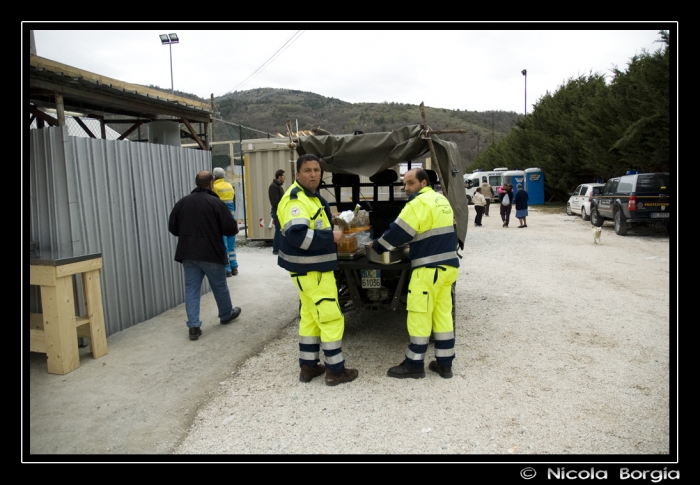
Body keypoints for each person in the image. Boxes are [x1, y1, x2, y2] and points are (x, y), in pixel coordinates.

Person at [276, 154, 358, 386]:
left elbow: (312, 222)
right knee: (331, 317)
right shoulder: (295, 200)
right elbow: (297, 235)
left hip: (309, 270)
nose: (313, 174)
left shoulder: (310, 197)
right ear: (298, 174)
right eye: (308, 170)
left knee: (310, 318)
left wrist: (331, 218)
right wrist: (330, 237)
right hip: (313, 270)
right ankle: (336, 370)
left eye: (317, 170)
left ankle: (309, 366)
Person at [371, 168, 459, 379]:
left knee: (419, 315)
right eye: (405, 183)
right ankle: (444, 364)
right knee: (442, 315)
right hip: (448, 267)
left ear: (424, 183)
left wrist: (377, 246)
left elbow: (398, 233)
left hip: (428, 269)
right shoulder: (441, 200)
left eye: (410, 183)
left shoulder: (418, 203)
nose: (406, 187)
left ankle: (414, 365)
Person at [168, 171, 242, 341]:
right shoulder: (215, 203)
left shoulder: (183, 202)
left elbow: (173, 227)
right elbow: (231, 229)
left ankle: (193, 326)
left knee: (191, 289)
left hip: (188, 252)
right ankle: (225, 314)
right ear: (211, 184)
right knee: (219, 285)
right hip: (211, 253)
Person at [212, 168, 239, 276]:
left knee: (224, 244)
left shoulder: (214, 187)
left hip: (220, 219)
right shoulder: (229, 186)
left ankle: (227, 269)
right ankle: (234, 267)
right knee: (231, 244)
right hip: (231, 218)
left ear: (214, 176)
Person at [268, 169, 286, 255]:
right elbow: (275, 201)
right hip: (277, 212)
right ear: (279, 177)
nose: (284, 178)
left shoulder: (278, 186)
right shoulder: (274, 186)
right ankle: (276, 249)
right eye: (283, 176)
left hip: (280, 211)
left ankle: (279, 249)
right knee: (278, 230)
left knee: (280, 230)